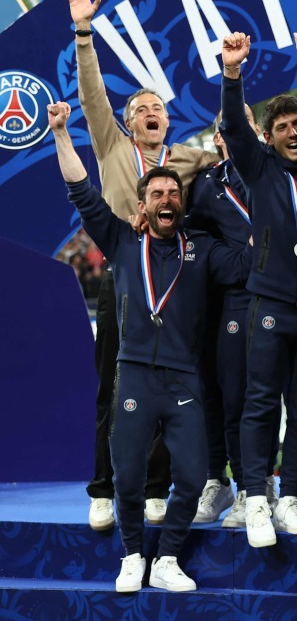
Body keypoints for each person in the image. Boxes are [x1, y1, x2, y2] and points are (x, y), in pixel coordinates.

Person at [49, 102, 248, 593]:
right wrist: (60, 135)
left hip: (183, 379)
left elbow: (248, 257)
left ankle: (169, 557)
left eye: (172, 192)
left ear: (181, 204)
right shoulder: (120, 241)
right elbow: (82, 190)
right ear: (141, 207)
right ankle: (135, 554)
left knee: (195, 474)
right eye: (155, 192)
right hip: (134, 375)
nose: (165, 198)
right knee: (129, 476)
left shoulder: (200, 250)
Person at [68, 0, 220, 532]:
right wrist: (85, 32)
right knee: (114, 385)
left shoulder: (185, 158)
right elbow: (91, 97)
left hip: (173, 283)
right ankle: (103, 489)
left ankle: (156, 488)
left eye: (159, 107)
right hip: (121, 278)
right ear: (129, 122)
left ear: (168, 121)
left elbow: (234, 161)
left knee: (167, 385)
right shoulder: (111, 146)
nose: (152, 112)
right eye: (142, 107)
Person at [220, 31, 297, 547]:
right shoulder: (260, 167)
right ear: (268, 137)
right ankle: (255, 498)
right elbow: (232, 125)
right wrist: (232, 74)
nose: (294, 131)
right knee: (261, 403)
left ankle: (292, 494)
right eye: (283, 126)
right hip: (269, 305)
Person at [183, 104, 263, 526]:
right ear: (217, 140)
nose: (237, 130)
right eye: (228, 127)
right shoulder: (203, 186)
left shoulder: (281, 173)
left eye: (246, 123)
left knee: (276, 399)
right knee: (223, 395)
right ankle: (223, 481)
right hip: (230, 299)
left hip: (284, 296)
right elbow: (198, 243)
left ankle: (268, 484)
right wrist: (244, 260)